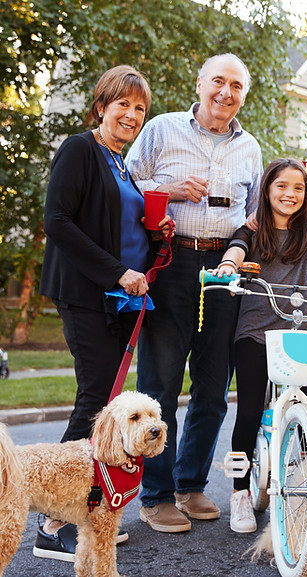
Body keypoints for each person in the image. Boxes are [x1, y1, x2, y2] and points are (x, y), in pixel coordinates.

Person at [126, 53, 262, 533]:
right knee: (160, 385)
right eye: (218, 82)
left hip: (225, 267)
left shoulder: (251, 148)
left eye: (237, 86)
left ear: (244, 94)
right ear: (200, 83)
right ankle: (156, 494)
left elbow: (256, 212)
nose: (226, 93)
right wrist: (169, 189)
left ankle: (190, 484)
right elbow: (124, 183)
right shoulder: (162, 128)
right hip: (171, 259)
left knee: (212, 386)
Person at [38, 65, 170, 559]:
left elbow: (119, 222)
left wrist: (158, 233)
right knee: (96, 398)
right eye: (123, 104)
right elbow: (58, 222)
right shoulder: (80, 149)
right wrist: (118, 272)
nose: (132, 115)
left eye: (140, 108)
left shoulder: (121, 163)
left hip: (120, 298)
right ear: (102, 106)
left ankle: (82, 512)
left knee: (105, 401)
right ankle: (53, 522)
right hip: (88, 292)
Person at [212, 158, 307, 533]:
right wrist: (229, 266)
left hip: (297, 333)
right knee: (247, 414)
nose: (289, 194)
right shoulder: (254, 228)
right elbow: (236, 250)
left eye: (298, 188)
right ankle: (240, 492)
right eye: (281, 186)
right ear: (267, 190)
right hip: (255, 333)